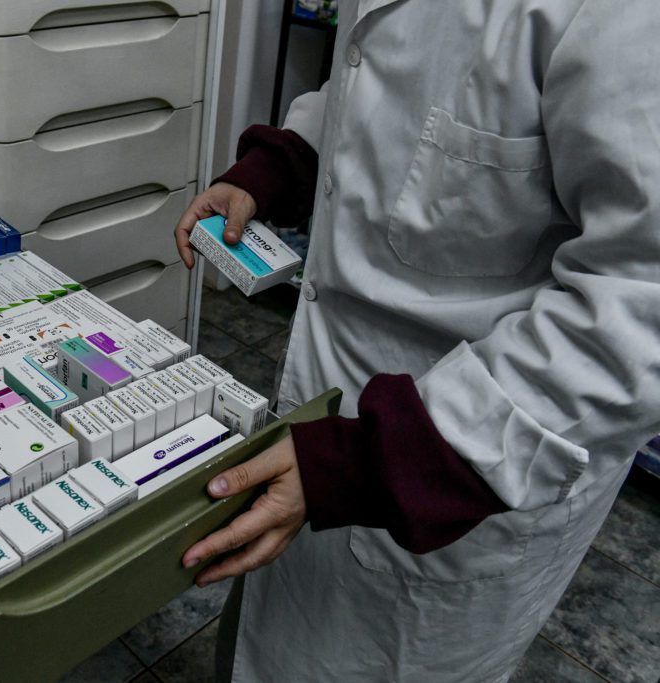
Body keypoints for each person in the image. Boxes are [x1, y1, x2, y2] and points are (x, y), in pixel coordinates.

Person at [173, 1, 660, 681]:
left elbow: (637, 315)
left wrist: (364, 463)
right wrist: (280, 167)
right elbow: (376, 83)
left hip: (461, 472)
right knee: (267, 643)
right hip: (325, 429)